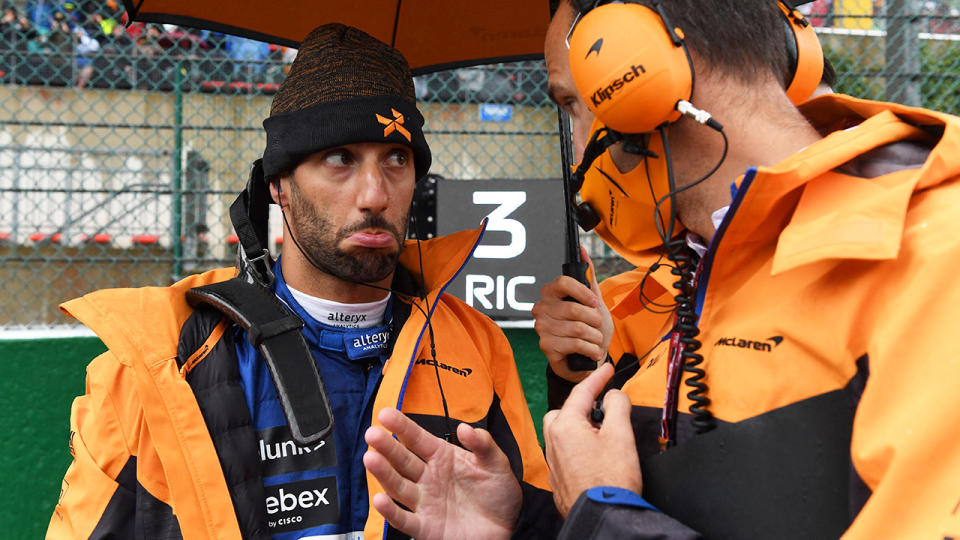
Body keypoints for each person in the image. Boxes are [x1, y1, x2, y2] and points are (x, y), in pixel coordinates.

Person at [46, 23, 556, 540]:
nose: (375, 195)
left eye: (396, 159)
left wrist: (517, 526)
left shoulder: (475, 344)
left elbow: (532, 512)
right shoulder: (162, 359)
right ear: (278, 186)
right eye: (340, 159)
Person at [532, 0, 960, 538]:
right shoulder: (703, 267)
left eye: (573, 103)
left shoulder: (937, 258)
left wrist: (601, 517)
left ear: (628, 72)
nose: (577, 151)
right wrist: (511, 524)